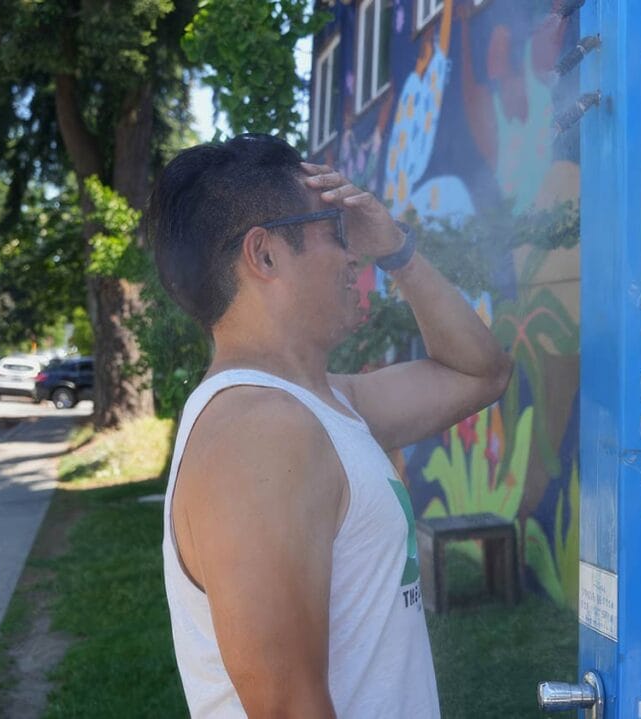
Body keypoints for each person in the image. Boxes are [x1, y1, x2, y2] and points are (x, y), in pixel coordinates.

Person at [147, 133, 512, 718]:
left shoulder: (325, 404)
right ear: (264, 255)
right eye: (335, 229)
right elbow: (289, 708)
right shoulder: (261, 434)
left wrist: (397, 249)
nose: (352, 254)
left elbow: (481, 373)